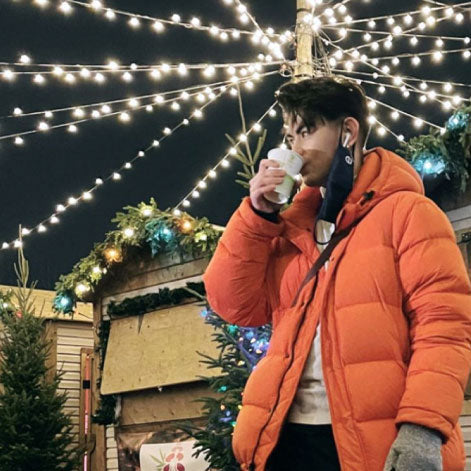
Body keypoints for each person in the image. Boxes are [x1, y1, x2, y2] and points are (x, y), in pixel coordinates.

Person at [202, 76, 471, 471]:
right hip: (285, 439)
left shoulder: (409, 213)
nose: (294, 147)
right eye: (289, 135)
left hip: (372, 442)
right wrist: (256, 216)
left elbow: (445, 326)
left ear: (347, 131)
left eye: (307, 130)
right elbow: (233, 305)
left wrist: (423, 427)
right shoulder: (292, 229)